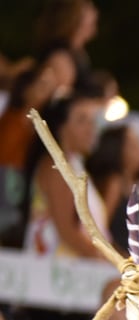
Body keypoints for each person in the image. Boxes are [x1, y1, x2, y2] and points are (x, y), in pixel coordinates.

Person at [23, 89, 108, 258]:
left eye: (92, 121)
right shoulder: (56, 168)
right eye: (82, 120)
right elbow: (67, 232)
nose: (91, 128)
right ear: (61, 127)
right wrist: (112, 262)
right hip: (53, 271)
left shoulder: (74, 165)